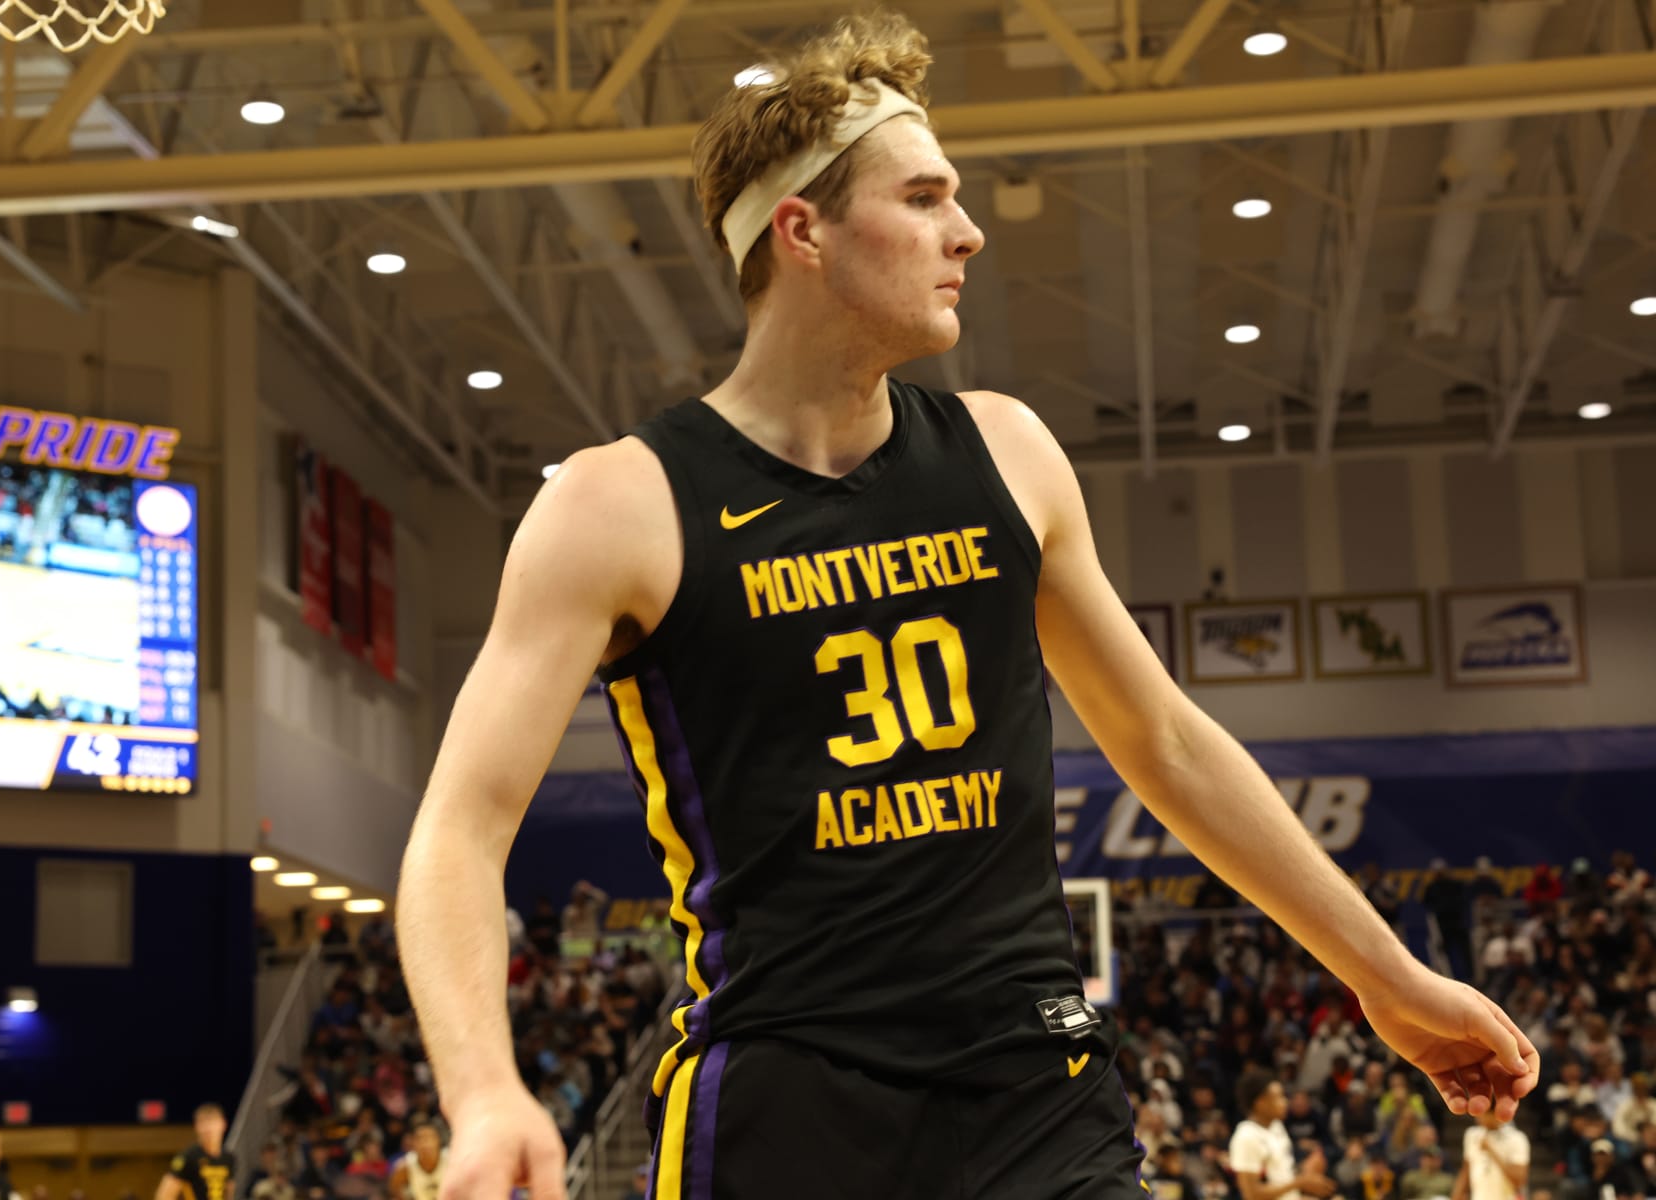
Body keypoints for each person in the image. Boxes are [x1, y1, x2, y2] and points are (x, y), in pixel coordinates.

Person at [395, 11, 1540, 1200]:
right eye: (927, 197)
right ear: (805, 233)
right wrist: (483, 1090)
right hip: (789, 1095)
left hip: (1034, 1083)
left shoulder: (1008, 451)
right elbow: (457, 832)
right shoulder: (619, 505)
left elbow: (1168, 744)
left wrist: (1390, 978)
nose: (969, 230)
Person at [1229, 1073, 1337, 1199]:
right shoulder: (1247, 1136)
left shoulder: (1276, 1126)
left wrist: (1305, 1168)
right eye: (1279, 1098)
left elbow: (1280, 1175)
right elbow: (1252, 1194)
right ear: (1261, 1103)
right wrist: (1300, 1182)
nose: (1285, 1102)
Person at [156, 1105, 236, 1200]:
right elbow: (164, 1194)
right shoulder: (188, 1157)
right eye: (203, 1123)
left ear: (223, 1124)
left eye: (212, 1123)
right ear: (197, 1127)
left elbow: (229, 1190)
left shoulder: (228, 1158)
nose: (208, 1129)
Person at [1451, 1111, 1530, 1200]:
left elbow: (1519, 1180)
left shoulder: (1517, 1138)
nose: (1478, 1115)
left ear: (1495, 1113)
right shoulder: (1472, 1134)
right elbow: (1465, 1171)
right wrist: (1456, 1196)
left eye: (1484, 1112)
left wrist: (1492, 1151)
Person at [388, 1124, 443, 1200]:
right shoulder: (405, 1165)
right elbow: (394, 1191)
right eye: (420, 1138)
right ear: (413, 1143)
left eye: (430, 1137)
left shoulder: (451, 1160)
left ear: (438, 1140)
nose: (425, 1142)